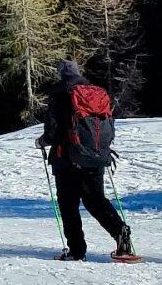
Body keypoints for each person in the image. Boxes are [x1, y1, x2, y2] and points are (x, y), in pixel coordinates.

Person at [37, 60, 136, 262]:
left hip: (66, 157)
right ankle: (120, 231)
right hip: (95, 155)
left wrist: (42, 142)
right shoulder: (94, 93)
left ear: (60, 74)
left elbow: (53, 129)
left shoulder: (59, 93)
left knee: (68, 204)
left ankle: (76, 250)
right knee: (95, 200)